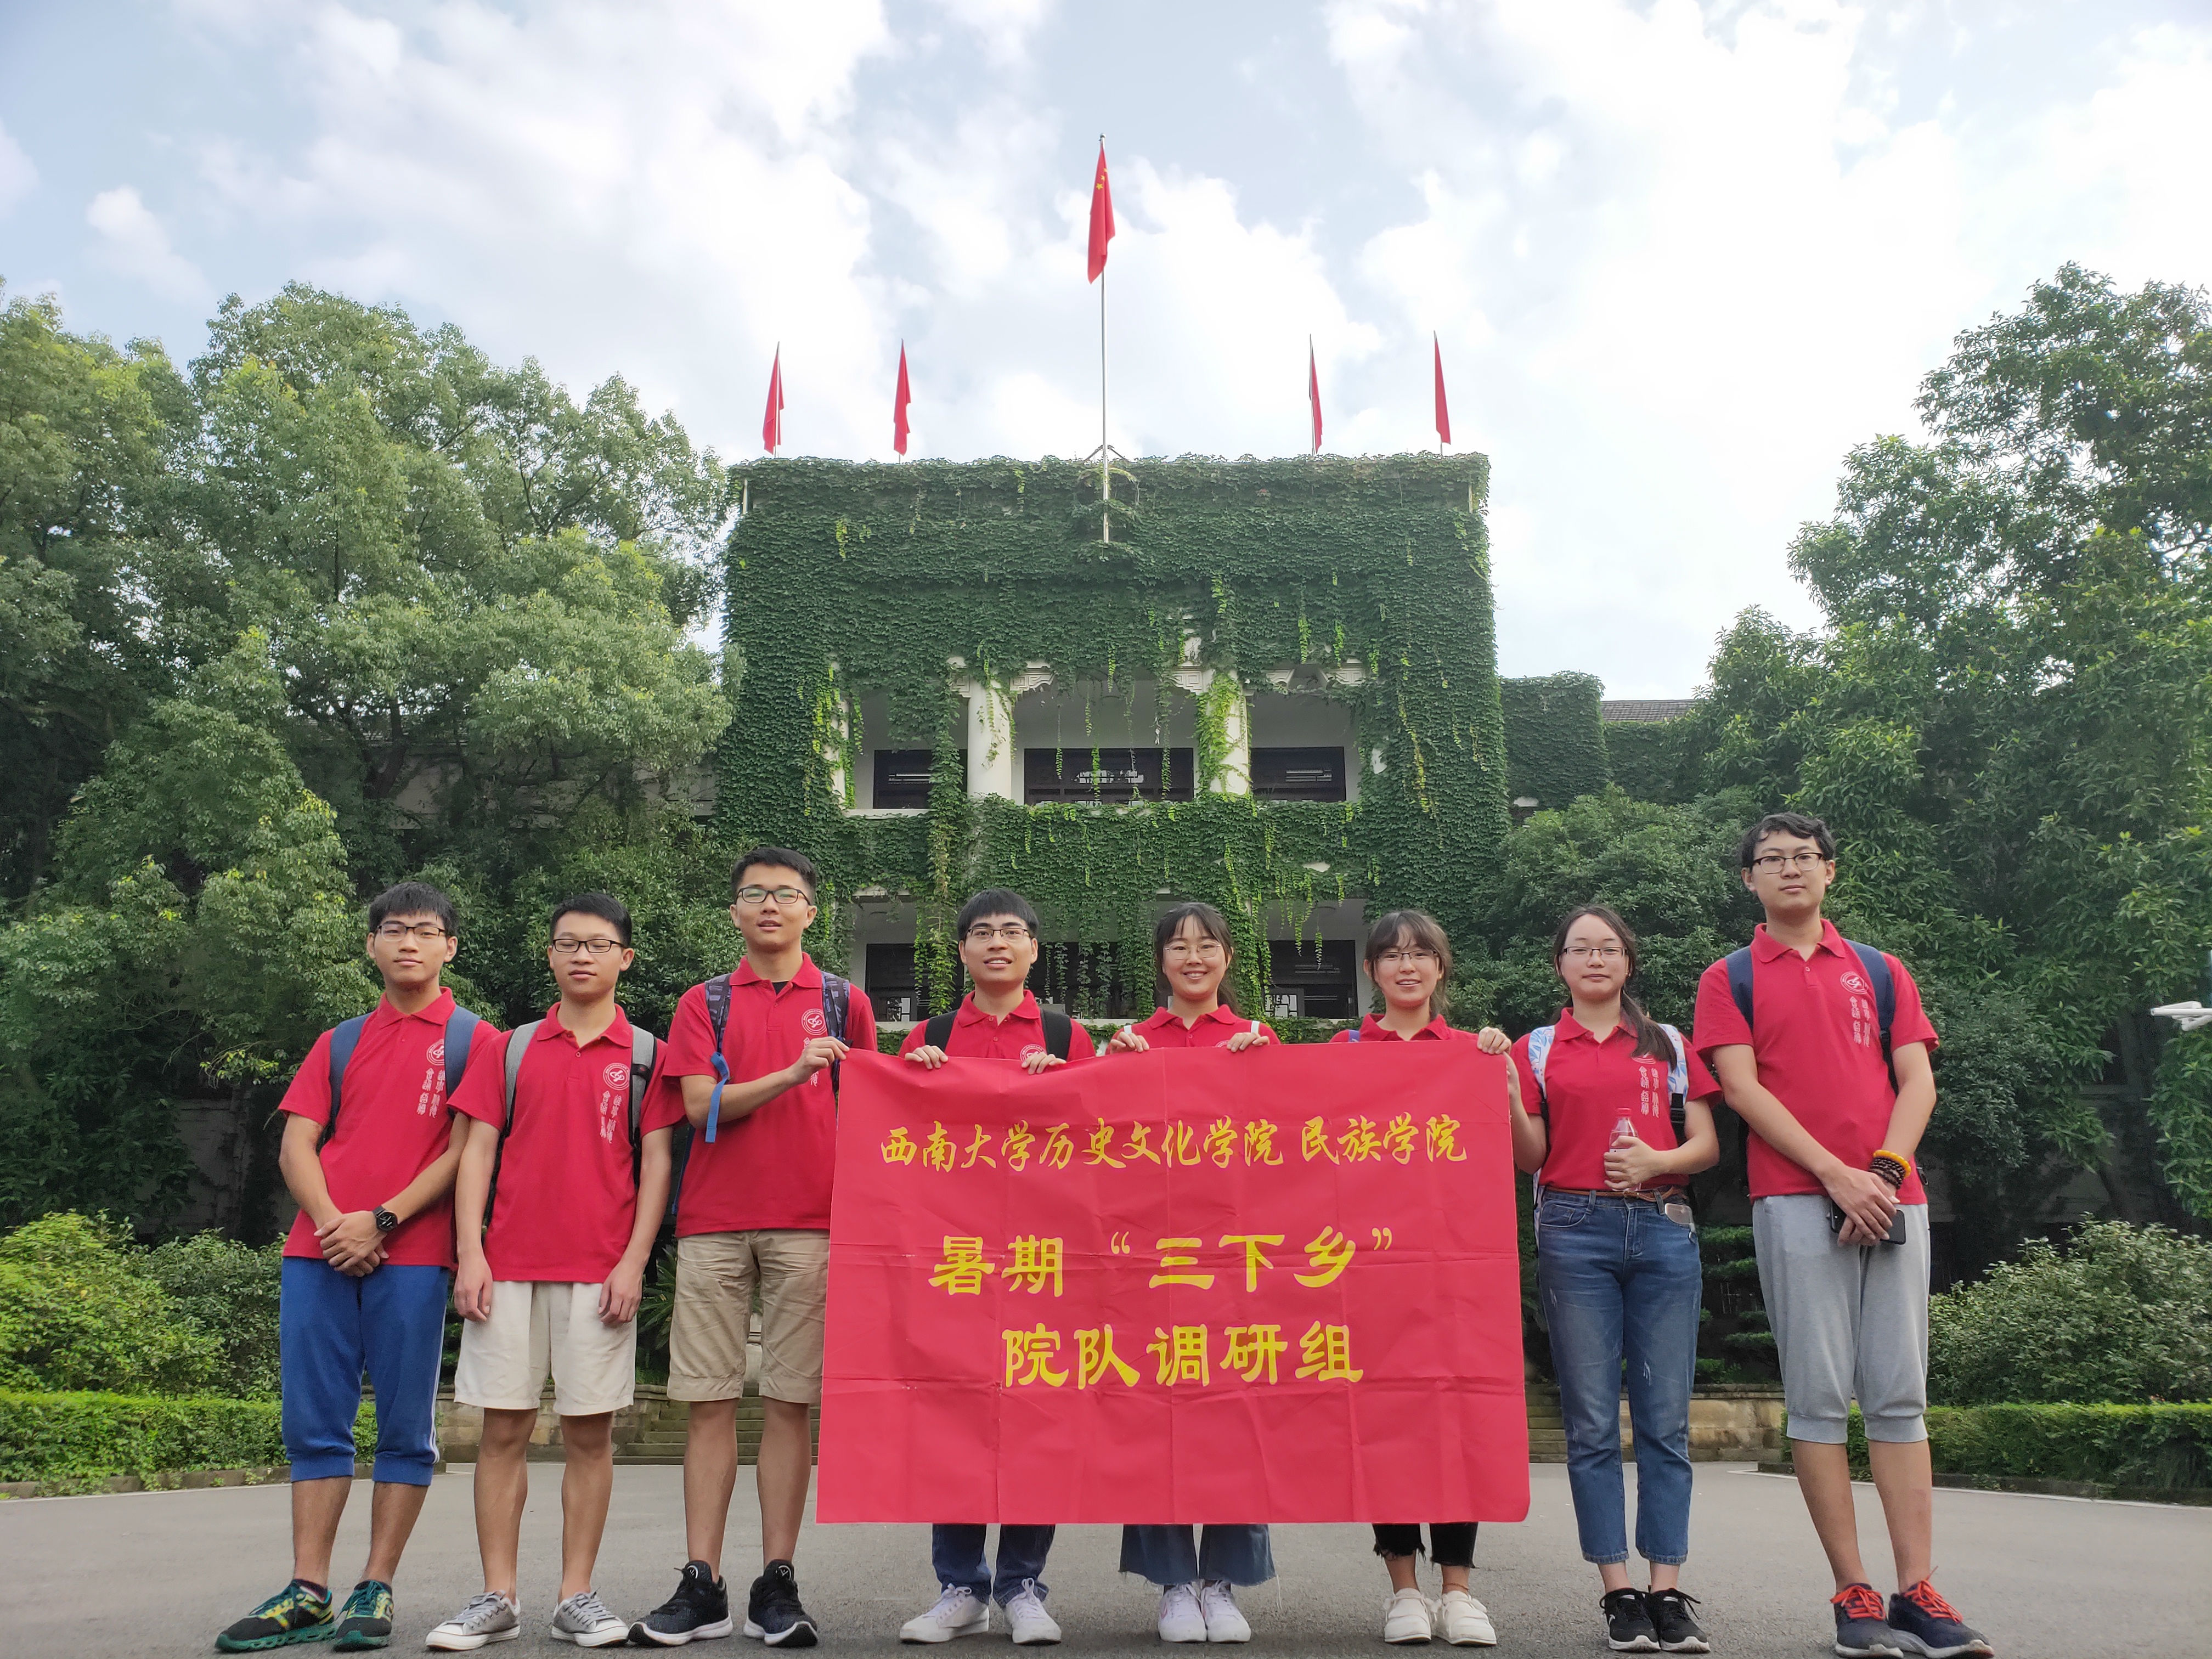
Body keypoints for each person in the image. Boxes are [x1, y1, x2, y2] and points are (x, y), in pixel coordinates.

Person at [1692, 812, 1990, 1659]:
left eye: (1805, 857)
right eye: (1771, 859)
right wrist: (1835, 1174)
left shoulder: (1881, 971)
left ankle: (1918, 1591)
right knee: (1820, 1399)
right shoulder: (1730, 977)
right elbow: (1743, 1091)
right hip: (1796, 1199)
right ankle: (1854, 1592)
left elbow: (1918, 1081)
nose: (1789, 869)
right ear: (1748, 878)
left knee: (1899, 1398)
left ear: (1831, 872)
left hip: (1895, 1200)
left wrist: (1883, 1175)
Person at [217, 882, 490, 1654]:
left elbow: (466, 1151)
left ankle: (376, 1584)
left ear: (450, 947)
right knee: (314, 1422)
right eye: (393, 930)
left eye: (425, 931)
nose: (409, 942)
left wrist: (383, 1219)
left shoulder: (476, 1040)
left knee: (404, 1426)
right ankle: (307, 1590)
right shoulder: (338, 1041)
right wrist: (338, 1222)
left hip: (415, 1257)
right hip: (318, 1253)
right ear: (371, 945)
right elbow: (296, 1144)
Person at [631, 848, 877, 1650]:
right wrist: (793, 1072)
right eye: (754, 893)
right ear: (735, 911)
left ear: (812, 910)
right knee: (709, 1402)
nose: (771, 905)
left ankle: (778, 1581)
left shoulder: (845, 1001)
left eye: (787, 894)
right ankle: (701, 1582)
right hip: (714, 1222)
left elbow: (876, 1110)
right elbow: (701, 1107)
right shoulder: (703, 1002)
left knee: (789, 1403)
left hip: (815, 1223)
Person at [427, 894, 675, 1651]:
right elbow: (476, 1154)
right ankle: (498, 1596)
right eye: (568, 944)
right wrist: (471, 1253)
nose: (582, 956)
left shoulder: (648, 1055)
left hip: (601, 1274)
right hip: (507, 1269)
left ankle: (576, 1595)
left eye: (598, 945)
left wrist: (634, 1262)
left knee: (589, 1436)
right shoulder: (510, 1049)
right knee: (501, 1431)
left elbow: (657, 1165)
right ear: (550, 956)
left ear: (625, 959)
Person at [1506, 906, 1721, 1656]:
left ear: (1629, 962)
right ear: (1560, 964)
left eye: (1609, 948)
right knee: (1593, 1422)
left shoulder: (1668, 1043)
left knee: (1665, 1421)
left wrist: (1657, 1161)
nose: (1595, 959)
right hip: (1574, 1231)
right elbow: (1532, 1157)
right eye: (1580, 948)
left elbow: (1706, 1145)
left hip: (1663, 1227)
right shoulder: (1536, 1049)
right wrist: (1507, 1092)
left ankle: (1667, 1590)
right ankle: (1619, 1592)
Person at [894, 888, 1097, 1647]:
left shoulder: (1066, 1034)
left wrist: (1065, 1084)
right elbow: (898, 1147)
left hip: (1043, 1262)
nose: (997, 943)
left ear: (1034, 949)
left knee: (1037, 1418)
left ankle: (1022, 1585)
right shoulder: (931, 1034)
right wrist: (914, 1076)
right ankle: (960, 1586)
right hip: (955, 1260)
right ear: (963, 951)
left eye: (1013, 931)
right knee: (953, 1419)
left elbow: (1102, 1145)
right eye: (982, 932)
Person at [1327, 909, 1509, 1649]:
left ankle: (1459, 1590)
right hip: (1368, 1268)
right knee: (1386, 1421)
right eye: (1393, 955)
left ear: (1441, 966)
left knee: (1458, 1417)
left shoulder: (1474, 1053)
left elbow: (1524, 1151)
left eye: (1421, 954)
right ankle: (1403, 1588)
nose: (1408, 966)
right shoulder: (1340, 1052)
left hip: (1456, 1268)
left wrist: (1505, 1081)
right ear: (1372, 971)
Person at [1103, 901, 1277, 1645]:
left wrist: (1264, 1071)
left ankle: (1222, 1581)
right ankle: (1173, 1582)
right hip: (1151, 1260)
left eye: (1208, 945)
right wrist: (1113, 1070)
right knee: (1154, 1413)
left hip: (1238, 1257)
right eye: (1179, 946)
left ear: (1229, 958)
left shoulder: (1257, 1037)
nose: (1194, 957)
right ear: (1161, 962)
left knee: (1237, 1409)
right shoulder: (1133, 1040)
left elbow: (1294, 1142)